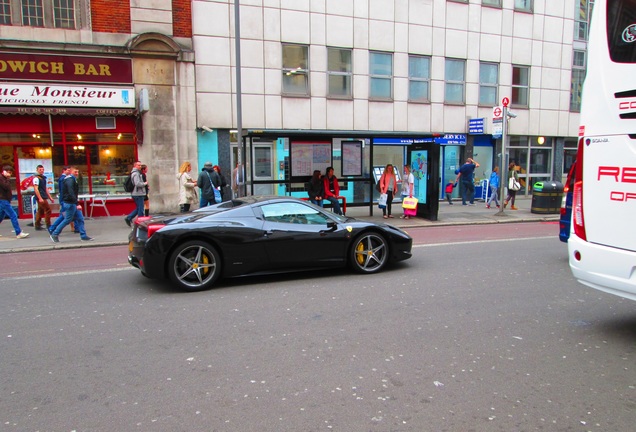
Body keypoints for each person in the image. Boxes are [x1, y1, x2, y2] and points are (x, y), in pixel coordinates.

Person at [49, 167, 93, 242]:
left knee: (80, 219)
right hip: (70, 203)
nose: (77, 173)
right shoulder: (70, 180)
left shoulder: (71, 179)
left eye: (77, 172)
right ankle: (55, 234)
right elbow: (71, 192)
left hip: (71, 203)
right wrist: (77, 203)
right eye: (75, 172)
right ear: (71, 172)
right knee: (67, 219)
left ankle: (83, 235)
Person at [0, 165, 29, 239]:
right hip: (3, 199)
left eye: (10, 173)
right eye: (8, 172)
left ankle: (18, 232)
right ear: (4, 171)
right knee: (13, 215)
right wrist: (7, 179)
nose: (9, 174)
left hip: (5, 199)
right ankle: (18, 232)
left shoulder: (4, 178)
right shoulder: (1, 178)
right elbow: (5, 187)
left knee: (1, 217)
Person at [124, 161, 147, 227]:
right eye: (138, 165)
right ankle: (140, 222)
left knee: (139, 208)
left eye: (140, 165)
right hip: (138, 193)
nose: (140, 166)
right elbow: (137, 183)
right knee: (141, 209)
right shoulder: (136, 173)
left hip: (137, 193)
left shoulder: (136, 173)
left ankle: (129, 218)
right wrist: (144, 183)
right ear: (135, 166)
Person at [33, 164, 55, 231]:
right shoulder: (36, 178)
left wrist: (50, 197)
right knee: (48, 210)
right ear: (37, 170)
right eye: (40, 170)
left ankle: (37, 225)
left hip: (43, 196)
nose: (42, 171)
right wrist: (40, 198)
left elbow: (45, 188)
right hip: (41, 196)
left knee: (40, 211)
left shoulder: (43, 178)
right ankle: (48, 225)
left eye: (42, 169)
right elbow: (36, 189)